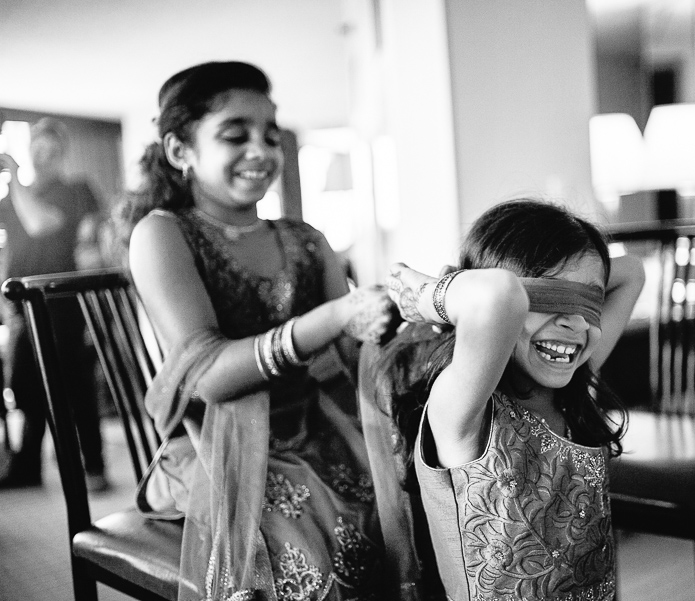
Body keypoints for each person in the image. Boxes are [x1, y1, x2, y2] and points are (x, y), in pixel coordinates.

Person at [124, 61, 395, 600]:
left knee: (413, 504)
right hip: (216, 448)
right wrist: (328, 320)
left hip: (317, 431)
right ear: (181, 151)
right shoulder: (163, 235)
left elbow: (352, 353)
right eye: (235, 135)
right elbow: (207, 377)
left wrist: (392, 315)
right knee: (315, 557)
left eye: (271, 136)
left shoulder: (305, 239)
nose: (261, 151)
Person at [383, 199, 645, 600]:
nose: (575, 322)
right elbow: (498, 294)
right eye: (546, 298)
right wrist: (423, 297)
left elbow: (631, 271)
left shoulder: (573, 382)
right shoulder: (463, 409)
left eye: (587, 302)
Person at [0, 115, 107, 490]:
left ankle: (94, 466)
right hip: (21, 306)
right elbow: (9, 247)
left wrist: (13, 177)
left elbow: (40, 224)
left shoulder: (76, 190)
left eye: (52, 148)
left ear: (62, 153)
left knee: (74, 386)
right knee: (27, 385)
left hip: (61, 302)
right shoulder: (14, 198)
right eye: (38, 146)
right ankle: (27, 467)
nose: (44, 154)